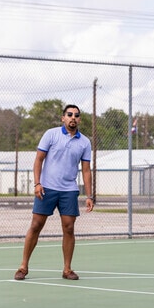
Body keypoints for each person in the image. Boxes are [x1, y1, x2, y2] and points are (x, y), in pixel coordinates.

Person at [14, 104, 94, 281]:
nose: (73, 117)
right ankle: (23, 266)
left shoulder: (85, 142)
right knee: (36, 225)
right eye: (69, 114)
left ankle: (67, 269)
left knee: (69, 227)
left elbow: (86, 170)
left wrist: (89, 196)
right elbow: (39, 160)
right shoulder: (51, 134)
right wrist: (37, 183)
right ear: (63, 118)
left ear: (80, 119)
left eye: (76, 115)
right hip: (47, 188)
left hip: (69, 190)